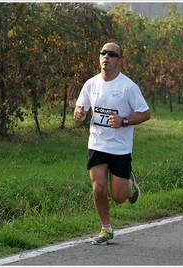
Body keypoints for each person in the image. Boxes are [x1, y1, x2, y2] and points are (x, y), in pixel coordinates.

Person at [74, 42, 151, 244]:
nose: (105, 56)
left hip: (120, 147)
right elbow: (80, 109)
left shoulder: (128, 86)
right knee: (98, 188)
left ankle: (129, 183)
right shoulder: (90, 84)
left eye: (111, 54)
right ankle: (106, 229)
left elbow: (145, 113)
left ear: (119, 60)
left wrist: (123, 121)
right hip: (97, 143)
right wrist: (79, 114)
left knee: (118, 197)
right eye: (102, 53)